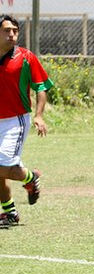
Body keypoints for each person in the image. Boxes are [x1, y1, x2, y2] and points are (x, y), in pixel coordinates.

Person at [0, 15, 52, 227]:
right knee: (3, 170)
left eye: (15, 30)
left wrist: (39, 115)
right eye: (6, 30)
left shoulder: (26, 57)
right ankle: (10, 213)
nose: (12, 34)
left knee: (1, 166)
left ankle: (31, 178)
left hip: (15, 120)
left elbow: (41, 87)